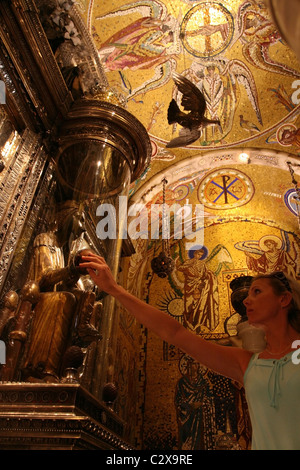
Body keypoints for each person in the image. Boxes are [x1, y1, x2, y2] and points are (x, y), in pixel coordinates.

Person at [79, 253, 300, 450]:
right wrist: (114, 289)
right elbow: (175, 333)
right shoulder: (248, 363)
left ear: (284, 299)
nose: (246, 299)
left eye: (257, 292)